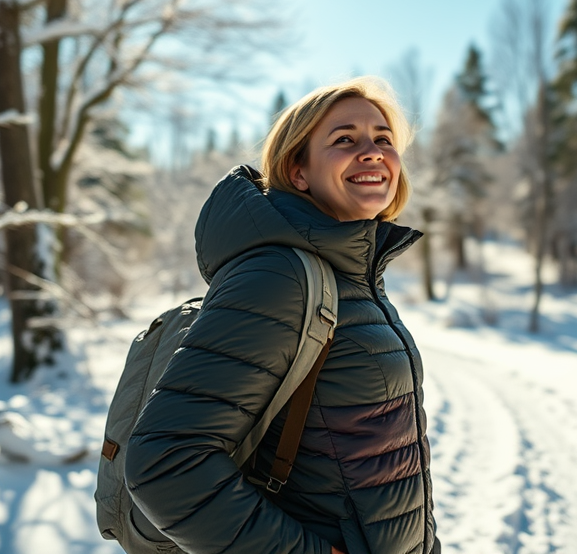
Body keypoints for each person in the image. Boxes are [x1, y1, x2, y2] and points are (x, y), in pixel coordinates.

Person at [124, 77, 440, 554]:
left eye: (383, 139)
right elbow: (166, 463)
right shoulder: (281, 277)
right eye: (344, 139)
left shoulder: (352, 275)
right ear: (298, 172)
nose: (373, 152)